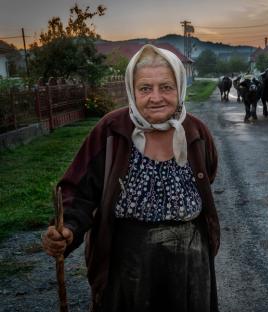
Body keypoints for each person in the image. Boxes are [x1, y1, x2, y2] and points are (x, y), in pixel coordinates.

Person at [42, 44, 220, 312]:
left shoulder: (196, 131)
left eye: (167, 87)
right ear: (132, 90)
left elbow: (208, 173)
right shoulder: (112, 129)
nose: (156, 97)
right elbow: (78, 190)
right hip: (128, 260)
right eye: (145, 88)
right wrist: (68, 228)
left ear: (180, 87)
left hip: (191, 261)